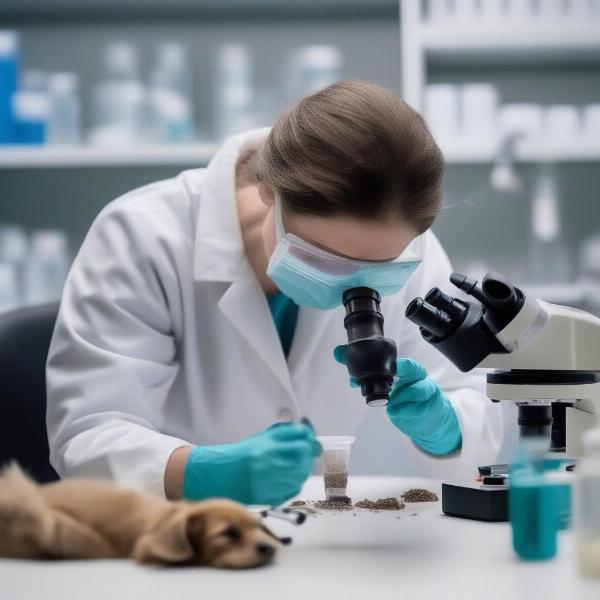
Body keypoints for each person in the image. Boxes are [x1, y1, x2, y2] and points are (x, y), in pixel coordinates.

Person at [46, 81, 510, 506]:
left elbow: (473, 408)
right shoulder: (143, 236)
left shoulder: (406, 247)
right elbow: (88, 435)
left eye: (380, 271)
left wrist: (444, 427)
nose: (354, 284)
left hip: (312, 541)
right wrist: (202, 473)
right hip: (173, 537)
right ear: (269, 192)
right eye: (326, 259)